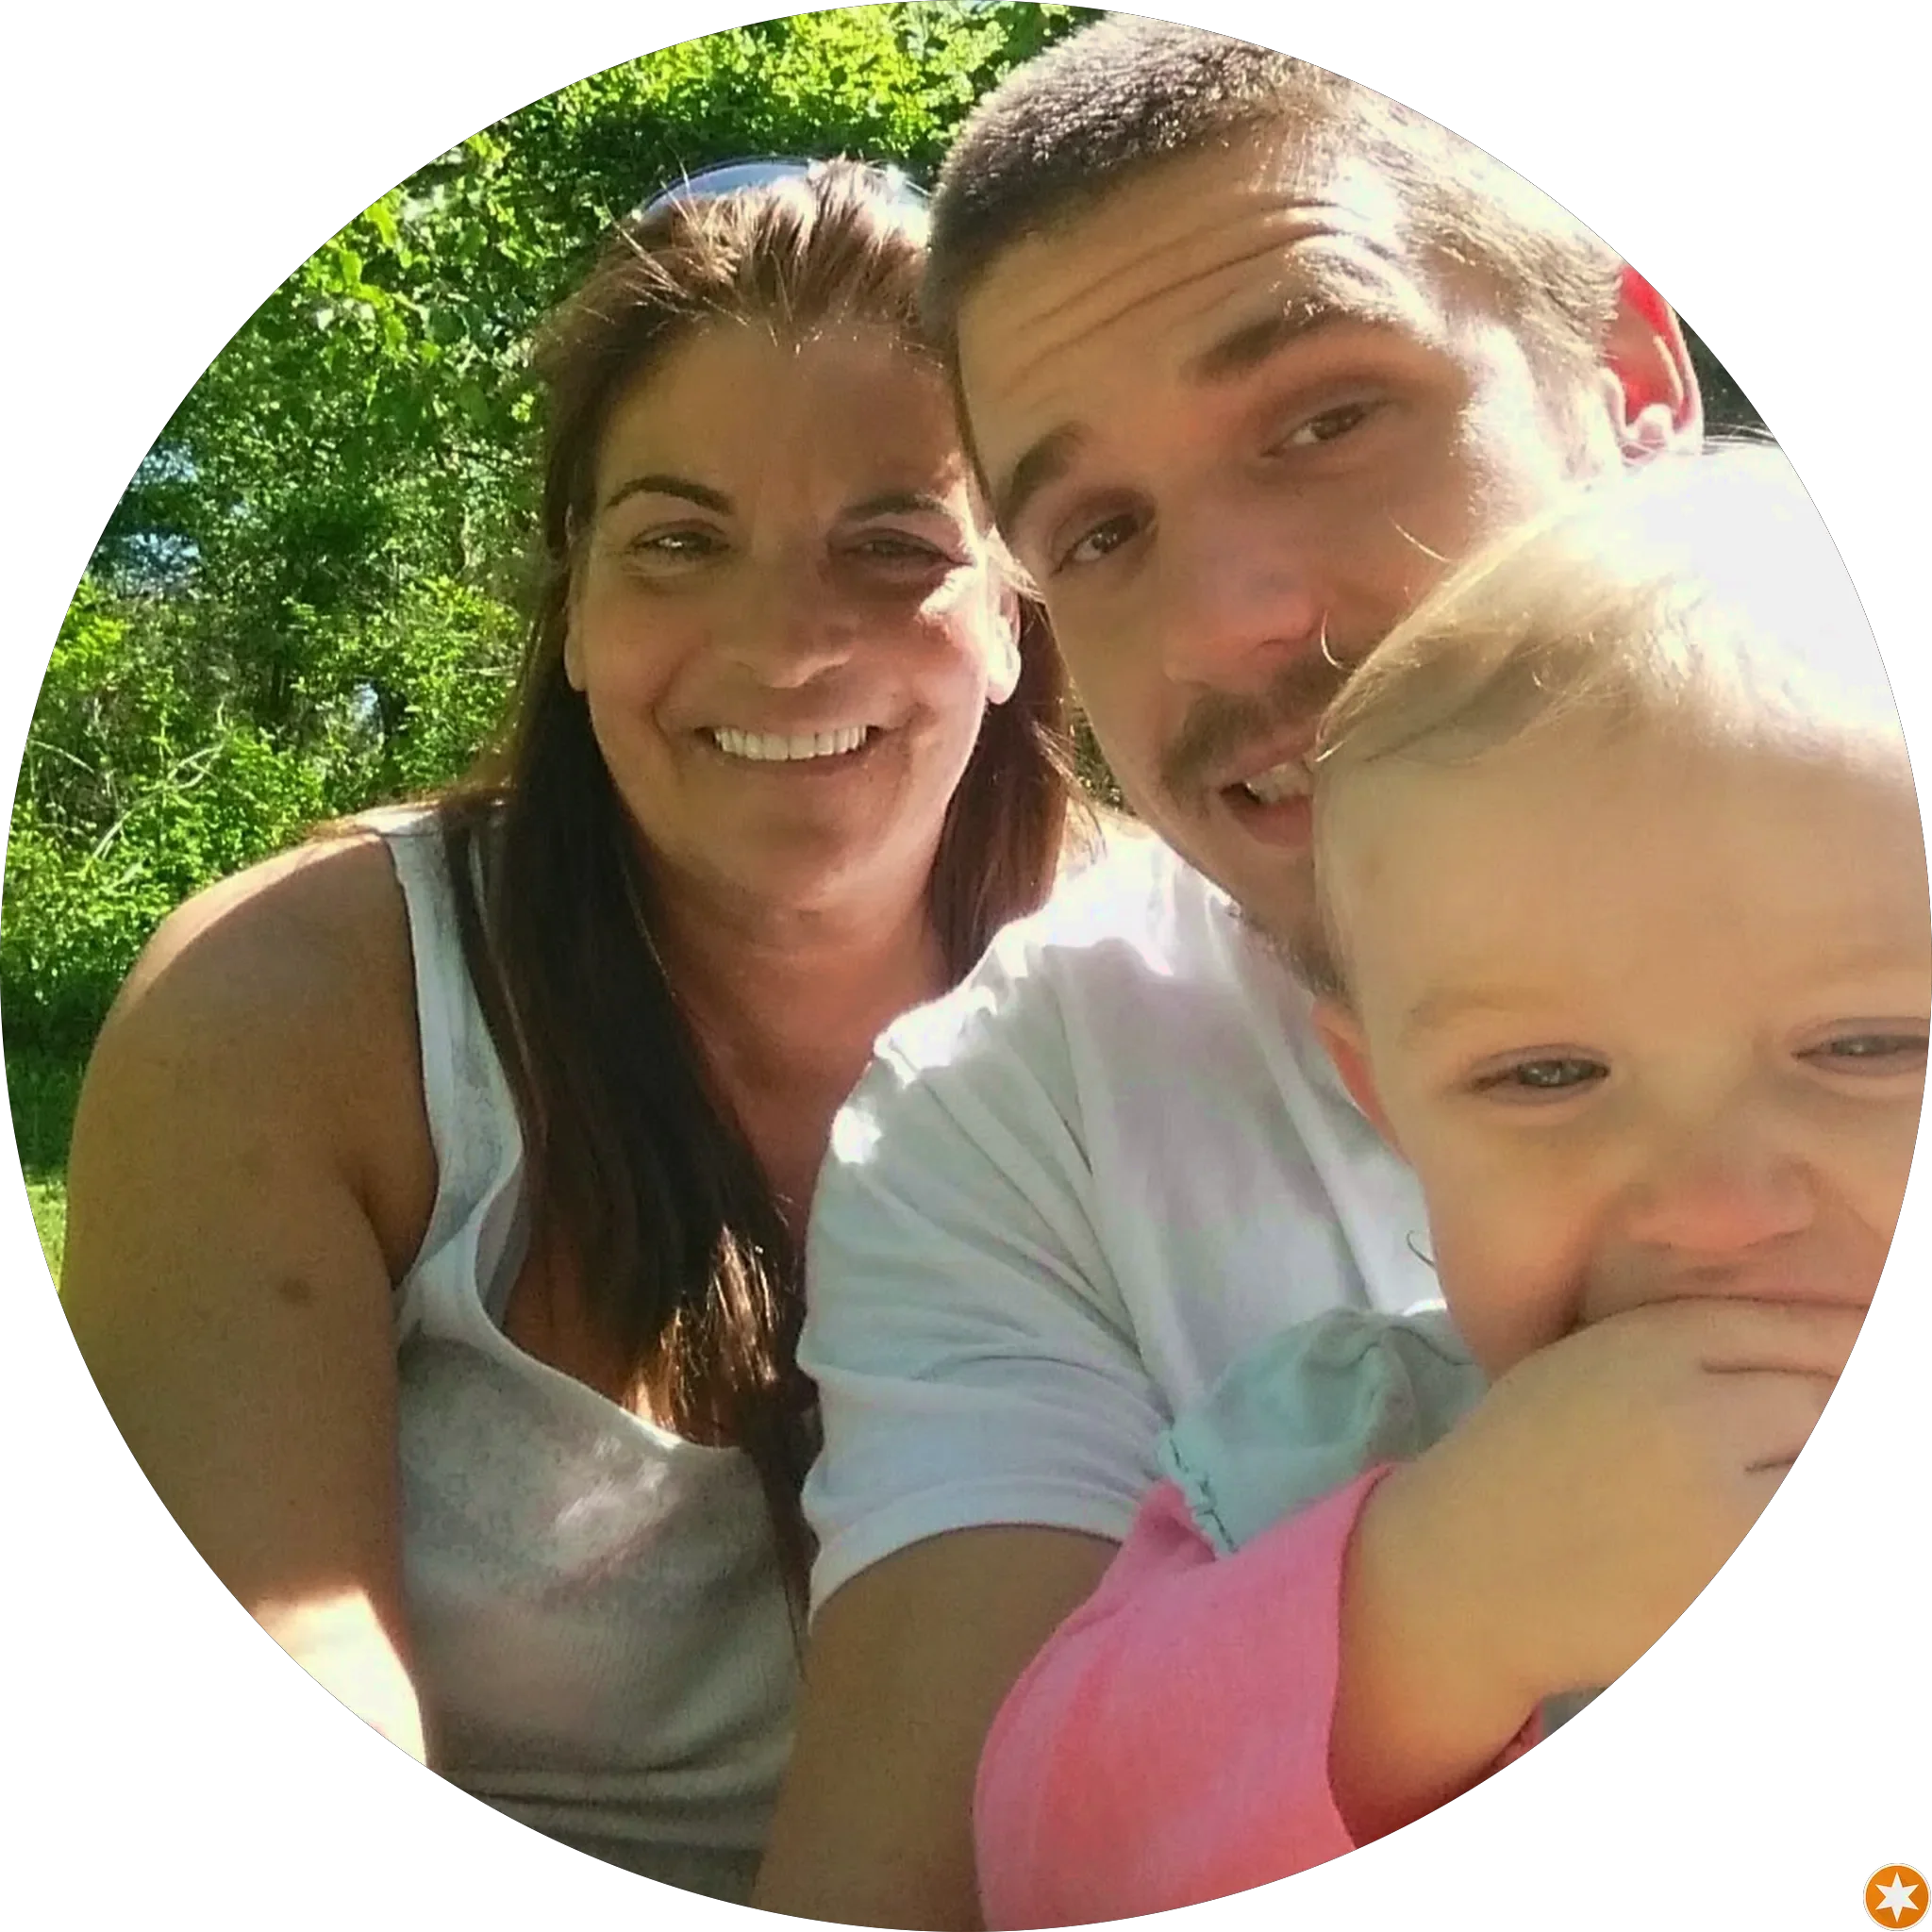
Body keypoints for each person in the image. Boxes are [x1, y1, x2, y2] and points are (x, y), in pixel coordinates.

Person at [748, 24, 1872, 1928]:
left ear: (1629, 381)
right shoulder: (1008, 1126)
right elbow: (973, 1866)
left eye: (1326, 418)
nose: (1228, 618)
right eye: (1100, 533)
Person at [56, 159, 1087, 1906]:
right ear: (578, 602)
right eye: (679, 541)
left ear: (1011, 612)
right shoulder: (298, 1002)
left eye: (893, 546)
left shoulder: (1177, 983)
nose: (784, 644)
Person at [970, 443, 1928, 1924]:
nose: (1713, 1207)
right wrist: (1430, 1616)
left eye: (1866, 1047)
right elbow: (1047, 1870)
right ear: (1390, 1105)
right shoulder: (1342, 1453)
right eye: (1544, 1075)